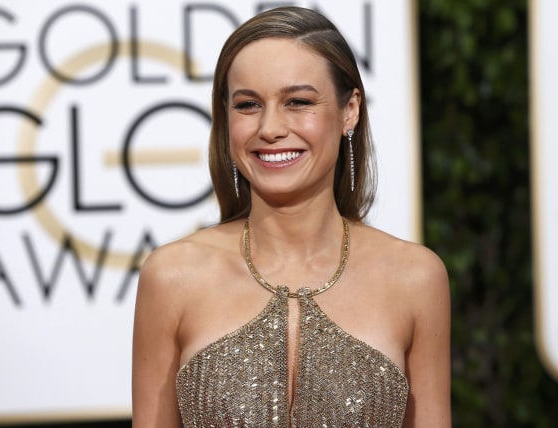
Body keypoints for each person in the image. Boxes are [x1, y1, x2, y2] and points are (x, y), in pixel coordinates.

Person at [132, 6, 450, 427]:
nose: (270, 128)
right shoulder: (172, 277)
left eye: (297, 101)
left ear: (349, 110)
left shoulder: (415, 278)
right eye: (247, 105)